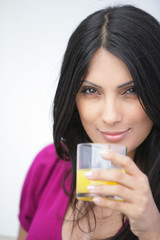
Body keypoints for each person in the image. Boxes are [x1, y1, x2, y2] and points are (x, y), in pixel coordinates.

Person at [17, 4, 160, 240]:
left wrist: (153, 230)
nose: (110, 116)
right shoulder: (47, 165)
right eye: (91, 90)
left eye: (131, 90)